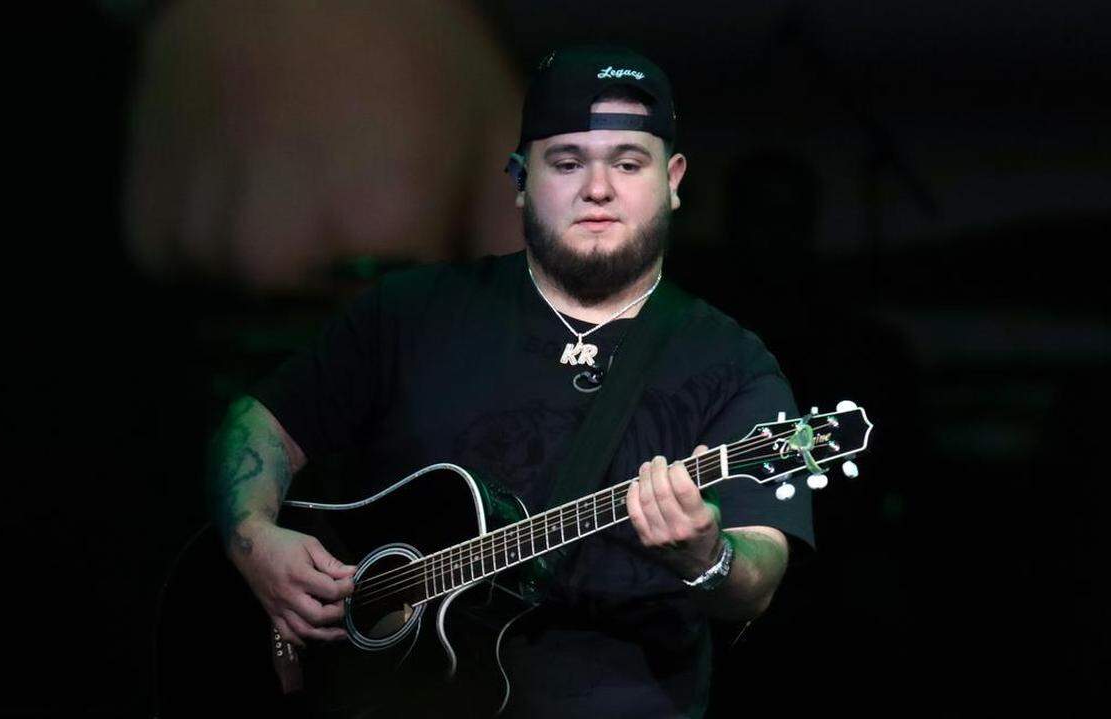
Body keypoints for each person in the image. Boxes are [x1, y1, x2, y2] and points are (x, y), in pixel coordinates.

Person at [208, 46, 814, 717]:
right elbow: (258, 421)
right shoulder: (412, 313)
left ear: (673, 179)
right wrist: (252, 535)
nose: (599, 188)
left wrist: (709, 557)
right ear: (521, 178)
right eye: (566, 162)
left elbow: (759, 568)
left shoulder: (728, 361)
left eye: (628, 162)